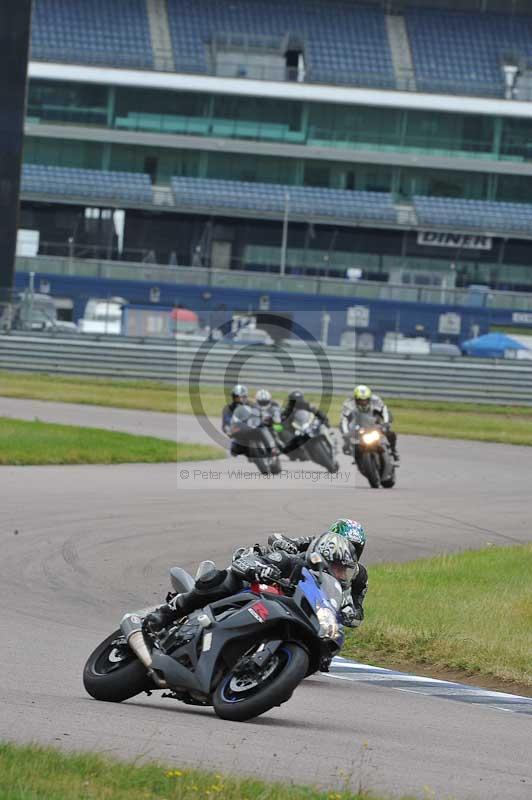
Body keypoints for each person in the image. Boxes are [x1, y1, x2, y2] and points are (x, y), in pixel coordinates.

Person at [144, 531, 361, 639]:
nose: (340, 573)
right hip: (252, 592)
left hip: (277, 617)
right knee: (225, 581)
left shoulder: (334, 590)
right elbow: (251, 557)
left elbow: (346, 617)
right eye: (337, 566)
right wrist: (260, 568)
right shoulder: (294, 561)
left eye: (344, 569)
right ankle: (168, 612)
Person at [267, 518, 367, 627]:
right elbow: (276, 537)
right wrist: (286, 545)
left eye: (355, 547)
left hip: (323, 612)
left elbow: (358, 614)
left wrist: (349, 614)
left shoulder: (358, 574)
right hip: (292, 580)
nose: (347, 550)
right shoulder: (318, 544)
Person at [340, 384, 399, 462]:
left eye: (365, 400)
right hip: (358, 425)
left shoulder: (376, 400)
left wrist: (386, 423)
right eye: (360, 400)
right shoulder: (348, 404)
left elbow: (384, 410)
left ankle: (393, 450)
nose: (363, 402)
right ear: (355, 399)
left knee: (390, 433)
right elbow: (344, 420)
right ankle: (357, 456)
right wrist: (346, 433)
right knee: (349, 442)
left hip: (374, 423)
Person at [222, 384, 252, 456]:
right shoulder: (228, 408)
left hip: (253, 428)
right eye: (237, 397)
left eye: (242, 397)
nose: (240, 399)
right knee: (234, 450)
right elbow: (226, 423)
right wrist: (228, 430)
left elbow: (260, 413)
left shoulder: (251, 405)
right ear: (233, 397)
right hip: (239, 431)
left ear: (246, 397)